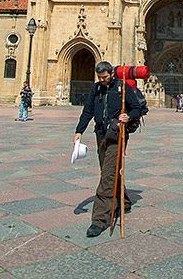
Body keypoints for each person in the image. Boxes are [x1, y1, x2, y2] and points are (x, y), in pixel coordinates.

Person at [74, 61, 146, 238]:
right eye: (100, 77)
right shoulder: (97, 88)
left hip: (117, 136)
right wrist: (79, 131)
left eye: (105, 77)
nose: (102, 80)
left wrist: (127, 116)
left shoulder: (122, 88)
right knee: (111, 172)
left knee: (107, 176)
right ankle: (125, 202)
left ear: (112, 74)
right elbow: (88, 110)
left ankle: (98, 220)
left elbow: (137, 108)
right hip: (101, 135)